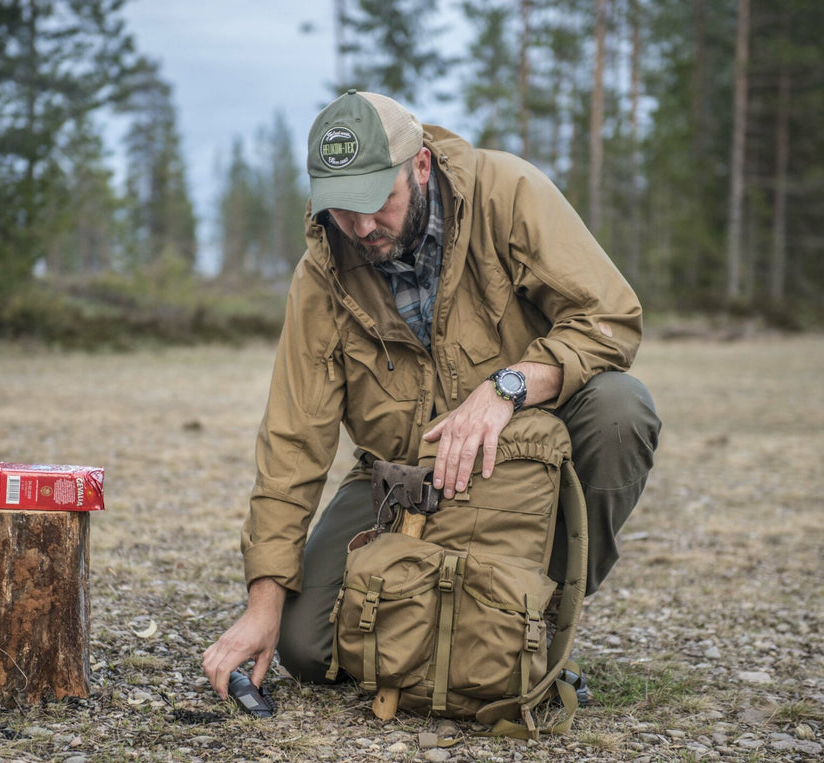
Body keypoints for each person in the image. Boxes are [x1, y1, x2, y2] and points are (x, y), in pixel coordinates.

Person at [203, 90, 660, 699]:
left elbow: (609, 320)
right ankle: (453, 638)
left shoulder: (508, 194)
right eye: (343, 209)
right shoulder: (321, 275)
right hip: (401, 481)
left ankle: (535, 617)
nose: (363, 228)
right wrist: (262, 605)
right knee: (304, 647)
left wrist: (508, 387)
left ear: (419, 165)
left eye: (378, 202)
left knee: (621, 409)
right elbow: (293, 441)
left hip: (520, 469)